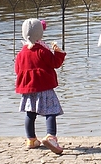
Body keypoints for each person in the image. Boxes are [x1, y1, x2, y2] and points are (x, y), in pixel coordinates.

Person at [15, 18, 66, 153]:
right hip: (44, 86)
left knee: (30, 114)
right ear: (40, 34)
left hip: (28, 88)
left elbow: (17, 70)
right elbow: (55, 63)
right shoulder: (42, 50)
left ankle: (31, 139)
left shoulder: (21, 53)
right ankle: (51, 136)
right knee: (51, 111)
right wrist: (58, 52)